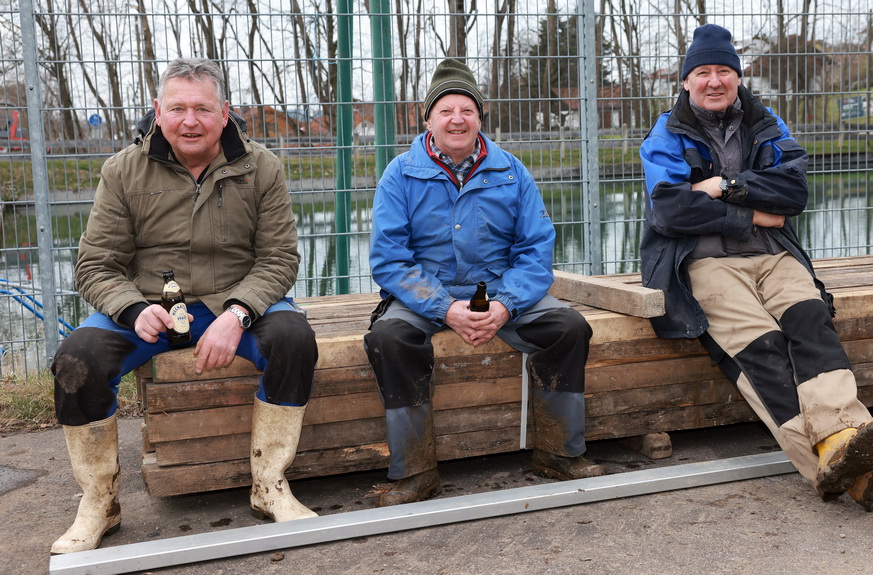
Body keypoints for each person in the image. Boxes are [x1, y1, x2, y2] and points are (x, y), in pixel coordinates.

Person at [49, 58, 319, 554]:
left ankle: (270, 484)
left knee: (294, 339)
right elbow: (96, 265)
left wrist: (238, 314)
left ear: (225, 113)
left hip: (235, 300)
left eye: (202, 109)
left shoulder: (262, 167)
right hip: (147, 306)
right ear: (158, 111)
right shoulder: (122, 170)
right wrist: (133, 309)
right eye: (177, 109)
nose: (189, 121)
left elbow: (279, 259)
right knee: (76, 360)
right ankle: (99, 501)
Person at [639, 24, 873, 512]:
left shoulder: (766, 123)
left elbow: (794, 193)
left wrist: (722, 187)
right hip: (704, 261)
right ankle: (837, 463)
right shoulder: (667, 134)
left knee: (811, 320)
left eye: (724, 71)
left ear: (738, 77)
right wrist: (751, 213)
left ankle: (844, 441)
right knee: (762, 347)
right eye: (703, 72)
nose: (714, 81)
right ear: (686, 81)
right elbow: (670, 211)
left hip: (772, 253)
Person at [364, 58, 603, 507]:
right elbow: (390, 259)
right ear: (428, 118)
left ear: (480, 116)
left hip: (498, 289)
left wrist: (506, 304)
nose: (457, 119)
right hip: (425, 294)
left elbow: (536, 250)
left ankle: (558, 453)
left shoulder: (511, 171)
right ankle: (416, 472)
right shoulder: (400, 174)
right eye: (446, 110)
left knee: (569, 328)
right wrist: (444, 308)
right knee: (388, 339)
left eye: (467, 110)